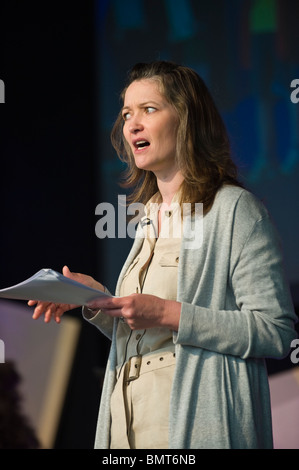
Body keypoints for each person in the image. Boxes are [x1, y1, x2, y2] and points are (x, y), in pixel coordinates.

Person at [29, 61, 297, 449]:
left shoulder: (235, 210)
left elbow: (275, 331)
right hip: (129, 422)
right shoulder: (148, 217)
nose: (132, 124)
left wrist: (169, 313)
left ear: (186, 119)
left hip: (192, 421)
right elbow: (144, 331)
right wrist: (96, 299)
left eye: (148, 110)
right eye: (126, 114)